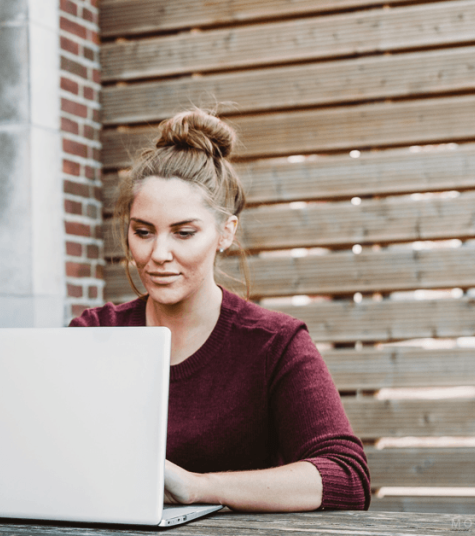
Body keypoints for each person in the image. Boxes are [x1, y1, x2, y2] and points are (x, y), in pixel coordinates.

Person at [69, 109, 370, 512]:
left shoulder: (274, 344)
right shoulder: (94, 332)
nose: (158, 254)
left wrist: (198, 487)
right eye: (143, 232)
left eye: (184, 232)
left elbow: (346, 477)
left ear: (225, 233)